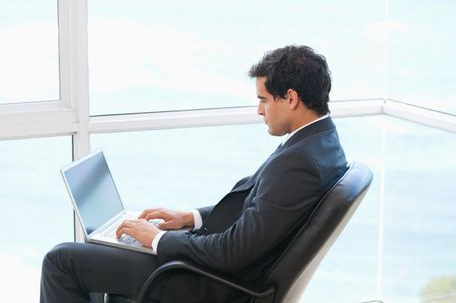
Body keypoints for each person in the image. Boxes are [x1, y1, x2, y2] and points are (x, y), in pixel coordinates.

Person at [40, 45, 348, 303]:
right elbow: (262, 212)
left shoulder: (300, 163)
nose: (259, 111)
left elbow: (234, 252)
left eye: (263, 100)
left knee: (61, 260)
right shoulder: (321, 143)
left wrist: (159, 239)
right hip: (216, 268)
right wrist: (189, 218)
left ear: (291, 98)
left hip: (208, 283)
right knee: (105, 244)